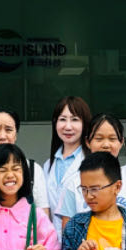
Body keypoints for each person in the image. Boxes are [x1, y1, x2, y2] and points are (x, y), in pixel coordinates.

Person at [42, 96, 93, 232]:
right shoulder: (48, 166)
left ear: (85, 124)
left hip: (85, 238)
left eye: (75, 119)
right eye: (62, 119)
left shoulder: (91, 163)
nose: (68, 126)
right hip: (52, 239)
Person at [0, 107, 46, 200]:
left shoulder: (33, 169)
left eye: (8, 130)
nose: (3, 136)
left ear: (15, 135)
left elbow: (42, 208)